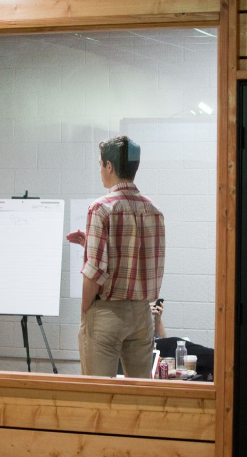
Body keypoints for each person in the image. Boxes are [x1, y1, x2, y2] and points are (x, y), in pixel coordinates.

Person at [66, 136, 165, 378]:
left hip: (106, 313)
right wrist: (90, 242)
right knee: (139, 396)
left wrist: (85, 311)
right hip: (142, 314)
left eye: (100, 164)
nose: (100, 170)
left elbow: (95, 271)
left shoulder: (101, 208)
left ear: (109, 166)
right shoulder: (153, 210)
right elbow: (142, 260)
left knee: (98, 395)